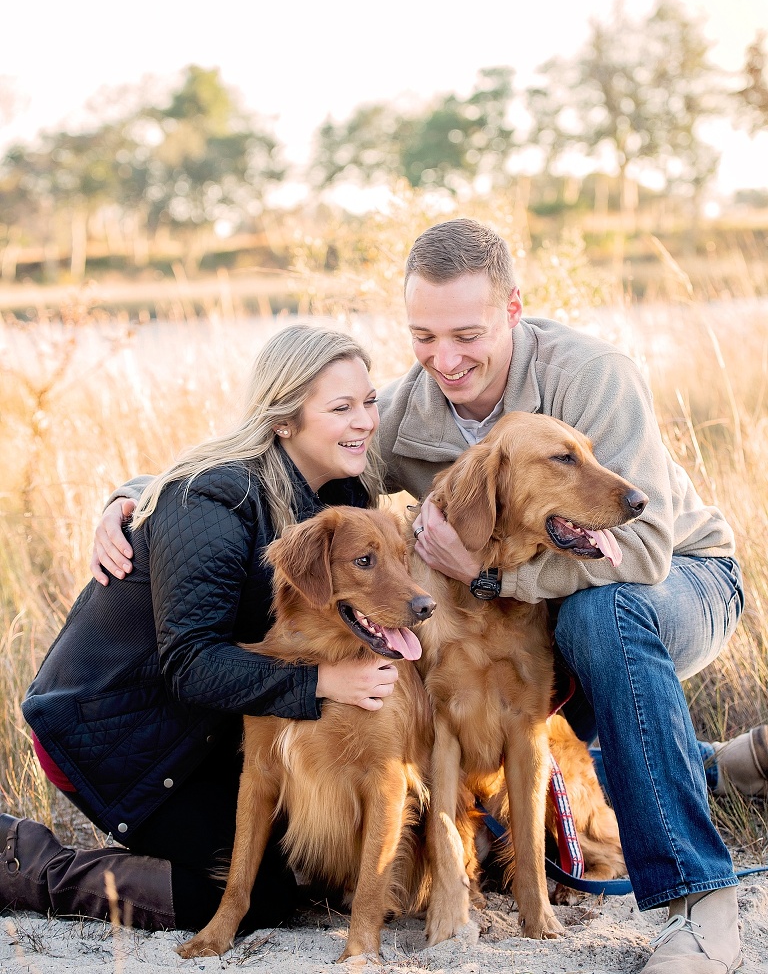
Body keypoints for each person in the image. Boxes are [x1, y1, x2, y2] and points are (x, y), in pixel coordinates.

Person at [91, 220, 754, 972]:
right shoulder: (408, 409)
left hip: (677, 579)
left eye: (467, 333)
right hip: (537, 606)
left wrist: (490, 579)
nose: (446, 359)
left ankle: (699, 901)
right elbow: (290, 459)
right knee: (464, 668)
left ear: (513, 309)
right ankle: (711, 765)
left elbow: (644, 548)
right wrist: (145, 495)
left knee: (598, 620)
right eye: (423, 336)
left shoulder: (592, 376)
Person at [2, 324, 396, 933]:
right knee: (258, 897)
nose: (365, 421)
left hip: (205, 728)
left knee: (319, 848)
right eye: (340, 408)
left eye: (369, 401)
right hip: (118, 734)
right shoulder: (214, 500)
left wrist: (132, 492)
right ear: (283, 420)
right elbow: (190, 664)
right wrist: (321, 681)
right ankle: (26, 863)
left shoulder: (336, 491)